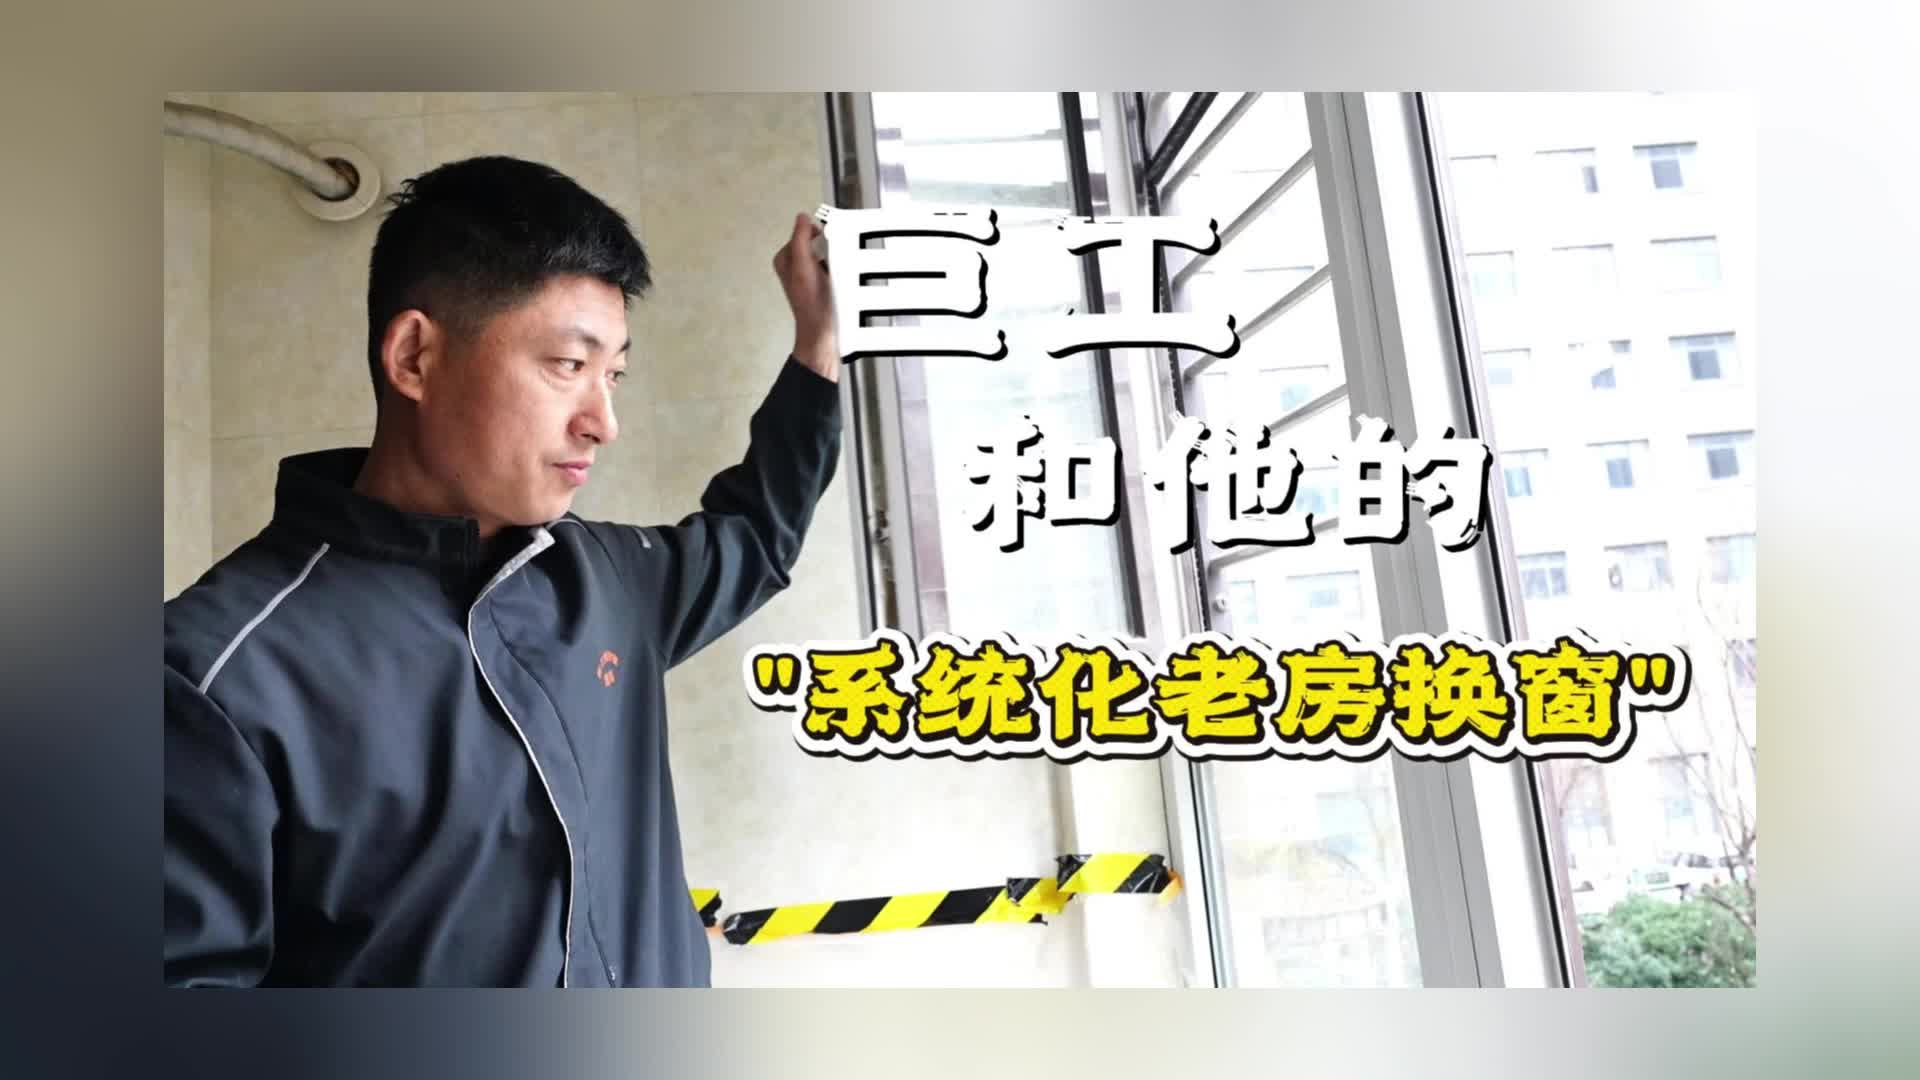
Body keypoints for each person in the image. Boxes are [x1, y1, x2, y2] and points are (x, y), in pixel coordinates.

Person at [163, 155, 841, 987]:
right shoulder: (215, 679)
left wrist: (819, 346)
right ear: (415, 357)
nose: (603, 422)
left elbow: (757, 537)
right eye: (568, 365)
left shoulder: (609, 582)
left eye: (614, 375)